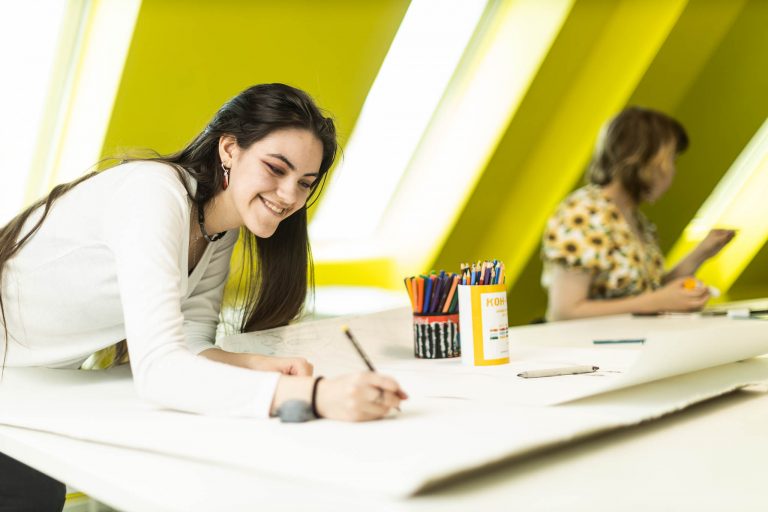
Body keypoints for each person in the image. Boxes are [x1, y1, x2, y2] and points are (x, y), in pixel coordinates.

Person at [0, 83, 407, 510]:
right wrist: (317, 396)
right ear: (229, 149)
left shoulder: (217, 227)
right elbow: (157, 371)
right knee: (35, 495)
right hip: (21, 388)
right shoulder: (152, 194)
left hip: (32, 385)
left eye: (305, 183)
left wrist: (255, 366)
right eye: (276, 168)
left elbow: (189, 340)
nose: (290, 196)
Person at [541, 106, 735, 321]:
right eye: (671, 159)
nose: (673, 170)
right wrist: (659, 301)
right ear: (645, 160)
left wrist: (702, 253)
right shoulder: (582, 213)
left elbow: (649, 293)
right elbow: (564, 312)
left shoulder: (635, 219)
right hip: (594, 350)